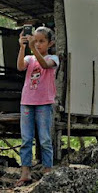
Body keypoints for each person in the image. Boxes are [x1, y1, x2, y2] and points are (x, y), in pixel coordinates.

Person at [16, 26, 59, 186]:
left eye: (42, 41)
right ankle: (25, 171)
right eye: (36, 40)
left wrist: (33, 48)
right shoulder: (30, 58)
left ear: (50, 43)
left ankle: (48, 170)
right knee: (26, 138)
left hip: (44, 103)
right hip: (27, 102)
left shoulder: (53, 58)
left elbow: (46, 65)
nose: (38, 43)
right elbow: (20, 66)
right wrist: (22, 47)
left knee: (45, 139)